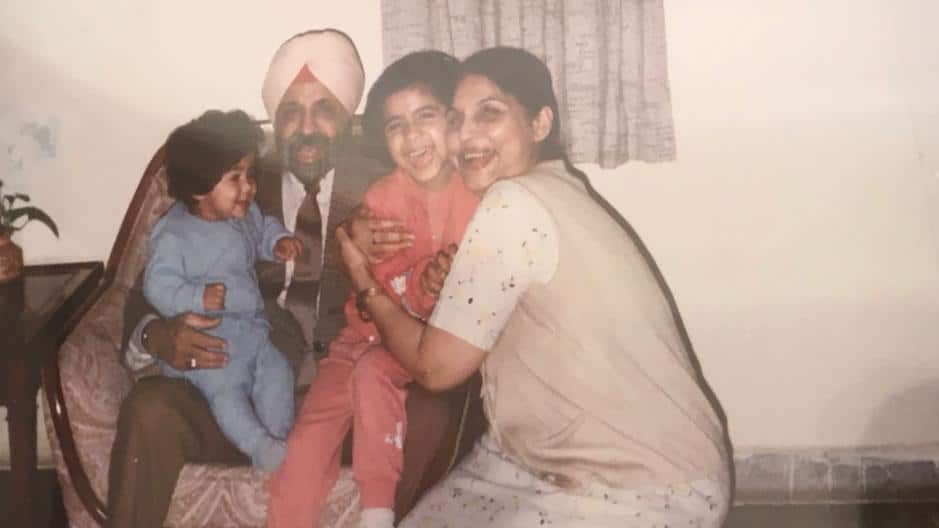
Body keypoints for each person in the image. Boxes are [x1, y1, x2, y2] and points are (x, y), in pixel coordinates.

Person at [336, 47, 734, 527]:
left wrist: (365, 282)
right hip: (526, 462)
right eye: (457, 119)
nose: (468, 136)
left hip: (645, 483)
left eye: (491, 114)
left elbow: (435, 368)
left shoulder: (513, 204)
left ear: (540, 124)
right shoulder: (547, 188)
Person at [107, 30, 456, 528]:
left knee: (431, 411)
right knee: (150, 408)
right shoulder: (235, 182)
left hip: (352, 400)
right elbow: (145, 286)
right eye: (291, 111)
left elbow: (436, 262)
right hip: (239, 390)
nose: (306, 128)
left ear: (350, 122)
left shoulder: (387, 184)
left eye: (324, 110)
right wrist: (156, 336)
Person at [268, 51, 479, 528]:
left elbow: (474, 299)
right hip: (359, 338)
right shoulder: (382, 197)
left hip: (422, 345)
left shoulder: (477, 200)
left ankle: (378, 512)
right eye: (395, 125)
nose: (411, 137)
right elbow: (375, 280)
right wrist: (413, 280)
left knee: (372, 376)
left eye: (425, 117)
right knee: (302, 447)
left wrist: (430, 289)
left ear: (453, 121)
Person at [144, 109, 303, 471]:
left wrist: (275, 242)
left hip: (251, 329)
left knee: (277, 373)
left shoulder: (242, 214)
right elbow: (158, 284)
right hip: (209, 338)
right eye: (235, 177)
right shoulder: (175, 233)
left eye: (250, 174)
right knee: (226, 390)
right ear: (199, 187)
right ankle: (257, 444)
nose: (249, 187)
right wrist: (195, 297)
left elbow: (262, 230)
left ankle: (280, 439)